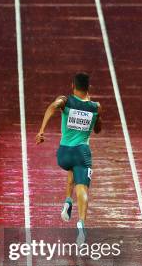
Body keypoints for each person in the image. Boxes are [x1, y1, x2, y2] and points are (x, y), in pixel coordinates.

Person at [35, 72, 102, 244]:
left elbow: (52, 107)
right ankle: (81, 223)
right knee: (83, 188)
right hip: (82, 152)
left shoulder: (65, 101)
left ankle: (67, 201)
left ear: (72, 85)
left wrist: (41, 130)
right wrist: (94, 114)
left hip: (63, 154)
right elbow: (98, 130)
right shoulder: (96, 107)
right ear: (89, 88)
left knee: (72, 169)